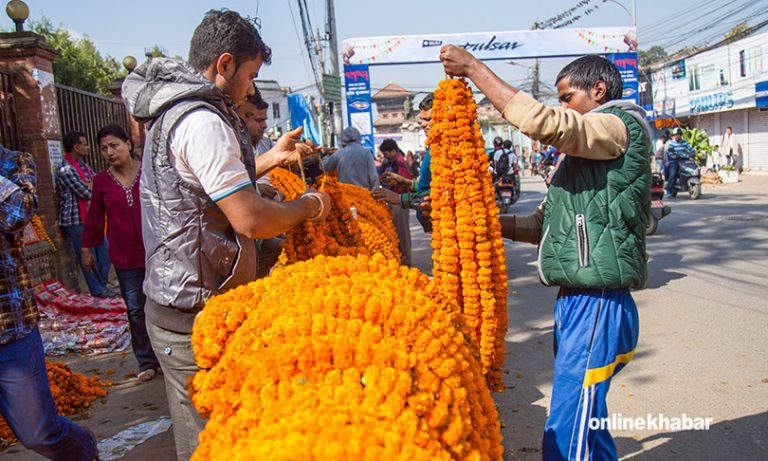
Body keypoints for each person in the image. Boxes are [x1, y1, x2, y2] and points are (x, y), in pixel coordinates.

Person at [122, 10, 331, 460]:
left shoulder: (176, 111)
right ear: (224, 64)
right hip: (193, 314)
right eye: (251, 75)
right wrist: (308, 207)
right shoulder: (201, 120)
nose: (252, 88)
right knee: (212, 445)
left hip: (181, 300)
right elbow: (251, 219)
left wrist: (271, 157)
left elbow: (204, 188)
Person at [441, 46, 650, 461]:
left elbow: (546, 125)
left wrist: (475, 69)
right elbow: (543, 227)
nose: (562, 108)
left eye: (567, 98)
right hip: (576, 301)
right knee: (588, 418)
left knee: (569, 423)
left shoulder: (620, 126)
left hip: (598, 302)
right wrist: (473, 220)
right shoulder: (584, 159)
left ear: (599, 89)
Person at [0, 145, 99, 460]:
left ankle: (85, 452)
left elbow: (18, 214)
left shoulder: (15, 164)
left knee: (39, 432)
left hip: (9, 328)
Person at [81, 124, 160, 382]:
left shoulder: (149, 172)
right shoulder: (101, 181)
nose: (109, 152)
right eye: (104, 148)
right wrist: (87, 248)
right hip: (124, 256)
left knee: (162, 304)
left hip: (156, 251)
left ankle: (166, 355)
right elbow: (94, 218)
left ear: (128, 143)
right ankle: (147, 361)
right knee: (136, 309)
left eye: (114, 145)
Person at [55, 131, 116, 298]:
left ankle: (102, 284)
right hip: (75, 220)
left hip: (90, 218)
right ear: (76, 147)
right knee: (88, 256)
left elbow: (98, 186)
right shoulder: (65, 169)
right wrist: (91, 186)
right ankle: (97, 289)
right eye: (85, 144)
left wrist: (92, 185)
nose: (88, 147)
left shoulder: (83, 166)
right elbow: (86, 192)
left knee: (104, 250)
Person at [373, 93, 434, 233]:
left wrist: (400, 198)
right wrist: (406, 182)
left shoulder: (449, 151)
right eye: (422, 120)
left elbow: (441, 194)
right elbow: (428, 187)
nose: (423, 125)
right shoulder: (433, 149)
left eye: (429, 119)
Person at [379, 138, 414, 266]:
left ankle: (406, 260)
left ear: (393, 151)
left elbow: (406, 181)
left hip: (400, 201)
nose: (385, 156)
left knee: (402, 232)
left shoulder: (399, 163)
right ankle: (403, 258)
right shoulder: (392, 162)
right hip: (396, 199)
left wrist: (393, 183)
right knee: (399, 231)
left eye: (386, 153)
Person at [322, 126, 380, 191]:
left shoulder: (339, 153)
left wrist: (326, 154)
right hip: (364, 195)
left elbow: (324, 166)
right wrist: (375, 192)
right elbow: (373, 176)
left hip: (345, 195)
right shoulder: (366, 153)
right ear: (359, 138)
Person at [664, 127, 694, 198]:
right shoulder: (672, 143)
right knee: (673, 174)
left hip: (684, 161)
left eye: (677, 135)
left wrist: (693, 153)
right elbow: (669, 152)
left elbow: (691, 149)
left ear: (680, 135)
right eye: (675, 135)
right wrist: (673, 155)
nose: (676, 136)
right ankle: (669, 190)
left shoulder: (685, 142)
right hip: (674, 161)